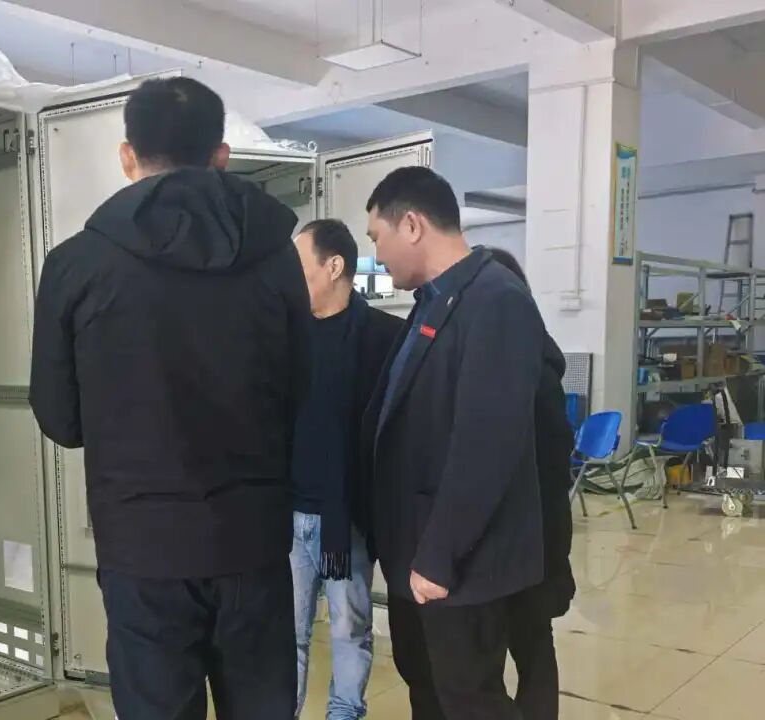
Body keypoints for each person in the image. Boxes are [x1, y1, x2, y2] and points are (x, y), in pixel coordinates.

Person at [28, 77, 310, 720]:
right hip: (253, 539)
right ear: (221, 156)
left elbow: (60, 419)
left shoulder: (77, 265)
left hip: (143, 546)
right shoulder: (275, 259)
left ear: (127, 156)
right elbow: (300, 390)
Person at [362, 166, 545, 720]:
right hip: (416, 556)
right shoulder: (434, 301)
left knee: (469, 701)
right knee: (428, 691)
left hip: (458, 567)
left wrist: (439, 558)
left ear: (411, 225)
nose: (377, 255)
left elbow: (486, 445)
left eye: (377, 237)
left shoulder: (495, 300)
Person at [290, 219, 404, 720]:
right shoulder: (287, 335)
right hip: (288, 516)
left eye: (299, 265)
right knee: (286, 637)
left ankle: (344, 713)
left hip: (347, 518)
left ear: (333, 266)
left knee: (348, 631)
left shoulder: (383, 337)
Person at [486, 247, 576, 720]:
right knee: (529, 643)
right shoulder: (528, 358)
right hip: (527, 535)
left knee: (530, 643)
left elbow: (551, 463)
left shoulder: (531, 371)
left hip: (531, 536)